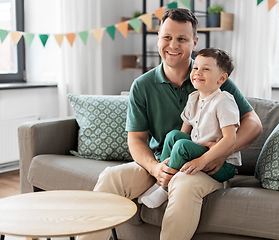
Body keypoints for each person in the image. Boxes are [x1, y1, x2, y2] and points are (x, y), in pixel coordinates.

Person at [77, 8, 262, 240]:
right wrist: (156, 169)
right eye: (167, 37)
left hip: (203, 166)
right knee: (110, 177)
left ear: (194, 42)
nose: (173, 45)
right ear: (158, 39)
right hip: (161, 162)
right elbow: (135, 140)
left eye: (182, 39)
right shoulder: (142, 85)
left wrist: (219, 153)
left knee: (183, 185)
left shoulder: (212, 75)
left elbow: (253, 123)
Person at [137, 48, 242, 209]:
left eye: (205, 69)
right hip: (198, 151)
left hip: (221, 165)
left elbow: (230, 138)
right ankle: (161, 179)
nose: (198, 72)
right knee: (173, 136)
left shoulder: (224, 100)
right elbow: (181, 135)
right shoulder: (193, 98)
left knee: (181, 145)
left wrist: (201, 161)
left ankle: (165, 189)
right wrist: (176, 154)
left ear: (221, 79)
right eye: (195, 68)